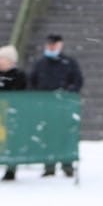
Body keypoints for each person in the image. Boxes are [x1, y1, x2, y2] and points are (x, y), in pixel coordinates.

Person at [29, 34, 84, 178]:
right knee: (48, 135)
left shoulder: (69, 63)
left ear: (60, 45)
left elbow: (77, 81)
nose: (52, 47)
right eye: (49, 44)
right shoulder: (40, 64)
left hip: (64, 107)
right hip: (45, 107)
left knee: (65, 135)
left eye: (54, 44)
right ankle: (49, 165)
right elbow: (32, 82)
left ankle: (67, 165)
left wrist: (67, 92)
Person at [0, 45, 28, 182]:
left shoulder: (19, 76)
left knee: (11, 142)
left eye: (1, 59)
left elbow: (22, 95)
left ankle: (11, 170)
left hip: (12, 116)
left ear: (10, 60)